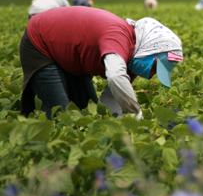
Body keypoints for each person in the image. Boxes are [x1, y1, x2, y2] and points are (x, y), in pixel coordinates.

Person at [19, 7, 183, 119]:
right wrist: (135, 115)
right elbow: (114, 76)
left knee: (85, 110)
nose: (152, 75)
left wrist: (121, 125)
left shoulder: (132, 60)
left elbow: (111, 99)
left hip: (68, 55)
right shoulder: (119, 37)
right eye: (155, 67)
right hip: (40, 42)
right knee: (60, 113)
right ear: (150, 48)